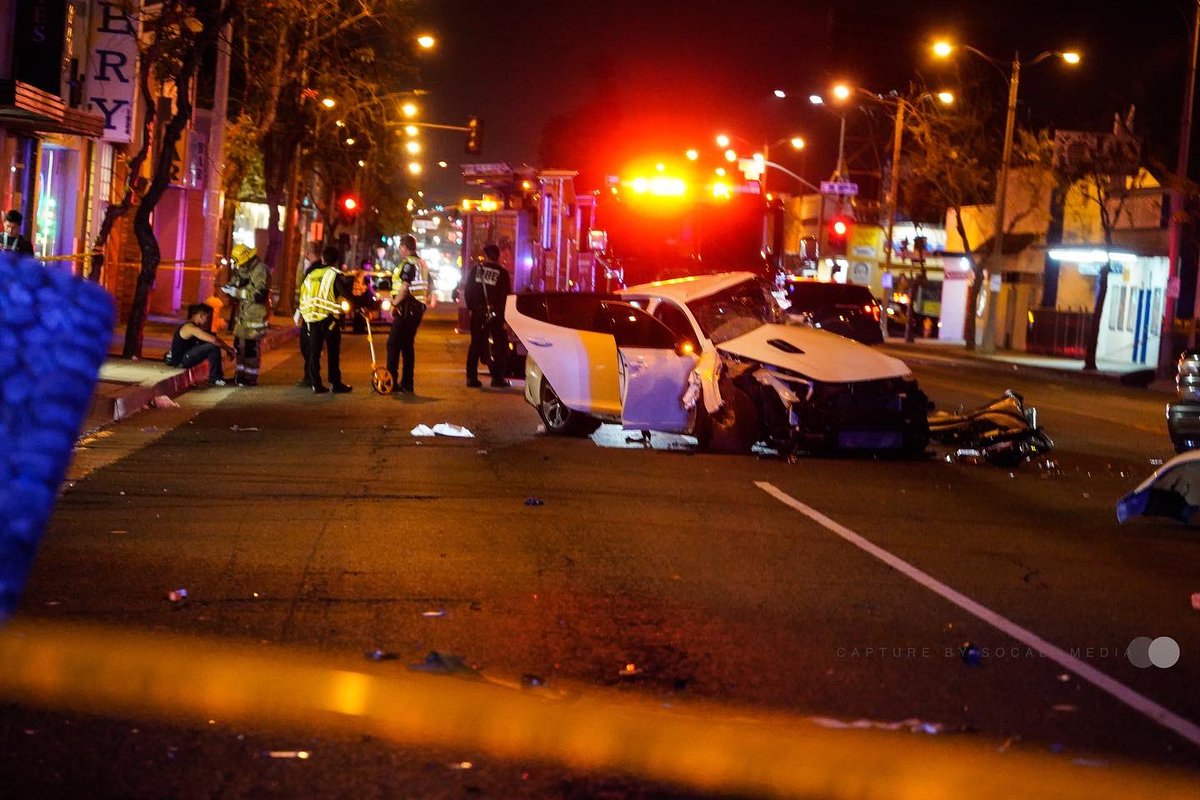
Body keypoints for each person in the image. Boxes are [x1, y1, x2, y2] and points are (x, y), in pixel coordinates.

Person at [298, 245, 352, 394]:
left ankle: (316, 383)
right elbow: (345, 293)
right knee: (333, 352)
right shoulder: (334, 273)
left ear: (323, 258)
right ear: (336, 260)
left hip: (312, 319)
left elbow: (303, 295)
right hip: (329, 320)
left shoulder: (311, 274)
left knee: (314, 352)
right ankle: (335, 383)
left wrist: (302, 313)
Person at [222, 244, 271, 386]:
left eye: (240, 264)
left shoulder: (260, 270)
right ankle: (239, 376)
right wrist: (231, 286)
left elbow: (258, 294)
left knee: (250, 349)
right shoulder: (244, 269)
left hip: (256, 317)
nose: (238, 267)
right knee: (239, 347)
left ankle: (250, 378)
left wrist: (236, 292)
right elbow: (237, 280)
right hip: (243, 317)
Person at [463, 243, 512, 388]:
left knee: (475, 345)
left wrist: (472, 308)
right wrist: (505, 318)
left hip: (478, 314)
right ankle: (497, 378)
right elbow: (506, 297)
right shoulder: (502, 274)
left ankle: (471, 378)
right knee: (499, 346)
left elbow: (468, 291)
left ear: (486, 256)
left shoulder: (476, 270)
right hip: (496, 315)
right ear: (497, 257)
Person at [385, 234, 428, 393]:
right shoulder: (421, 263)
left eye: (400, 247)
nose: (399, 250)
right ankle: (407, 383)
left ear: (404, 247)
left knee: (393, 344)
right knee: (407, 346)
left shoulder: (409, 264)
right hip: (416, 310)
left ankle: (391, 381)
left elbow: (404, 288)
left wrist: (394, 305)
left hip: (406, 309)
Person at [163, 304, 235, 386]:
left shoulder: (194, 326)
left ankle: (216, 376)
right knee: (212, 346)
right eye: (208, 318)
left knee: (210, 343)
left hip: (186, 357)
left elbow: (213, 338)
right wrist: (229, 349)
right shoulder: (190, 328)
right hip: (181, 361)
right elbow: (214, 340)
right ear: (201, 316)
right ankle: (215, 378)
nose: (208, 321)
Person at [294, 241, 323, 387]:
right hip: (319, 314)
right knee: (313, 347)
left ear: (309, 252)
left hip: (310, 314)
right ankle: (312, 375)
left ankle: (310, 377)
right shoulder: (322, 269)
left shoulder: (311, 271)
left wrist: (299, 309)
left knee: (308, 347)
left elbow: (306, 292)